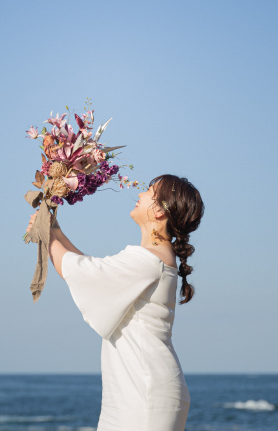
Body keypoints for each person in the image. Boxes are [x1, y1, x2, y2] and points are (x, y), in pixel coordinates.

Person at [26, 174, 204, 431]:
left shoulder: (148, 260)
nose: (140, 194)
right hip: (141, 387)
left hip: (144, 391)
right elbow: (95, 272)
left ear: (159, 211)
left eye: (148, 191)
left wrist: (47, 235)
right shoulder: (153, 257)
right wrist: (53, 230)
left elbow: (84, 273)